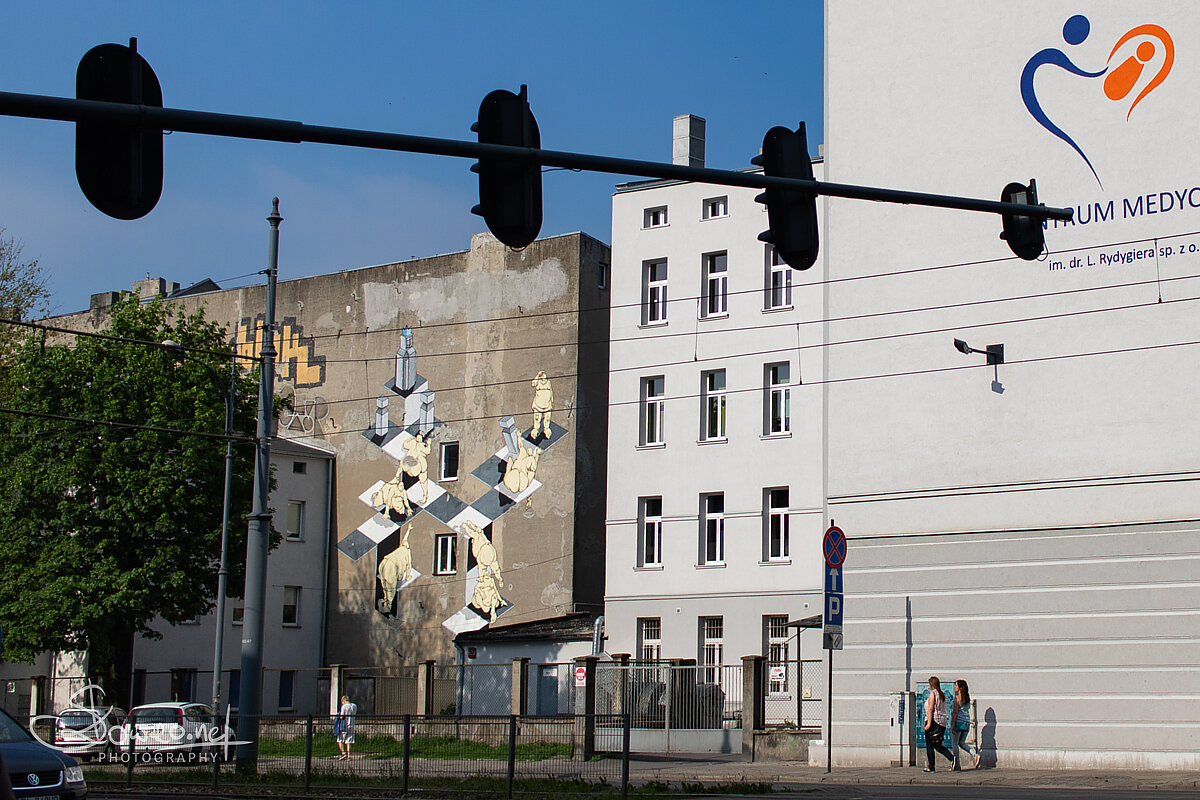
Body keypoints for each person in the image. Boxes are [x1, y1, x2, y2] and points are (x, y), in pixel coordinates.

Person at [923, 676, 954, 772]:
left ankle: (931, 767)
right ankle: (952, 758)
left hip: (933, 721)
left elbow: (930, 709)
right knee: (937, 745)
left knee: (930, 745)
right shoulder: (942, 694)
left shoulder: (933, 694)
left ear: (931, 684)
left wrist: (928, 723)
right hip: (942, 722)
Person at [950, 679, 981, 770]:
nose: (955, 687)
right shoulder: (967, 698)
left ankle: (957, 764)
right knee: (962, 742)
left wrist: (952, 724)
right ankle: (975, 755)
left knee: (955, 744)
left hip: (958, 722)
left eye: (956, 685)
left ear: (960, 688)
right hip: (966, 722)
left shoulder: (957, 698)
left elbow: (955, 712)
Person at [335, 694, 357, 760]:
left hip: (344, 725)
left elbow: (342, 716)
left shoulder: (344, 706)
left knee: (340, 739)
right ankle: (349, 755)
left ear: (343, 701)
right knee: (349, 740)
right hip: (351, 724)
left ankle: (343, 753)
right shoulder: (354, 706)